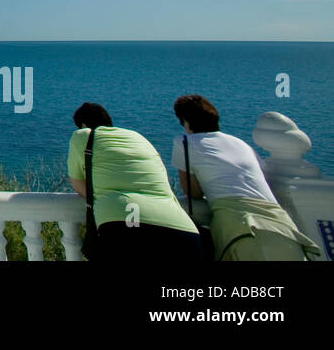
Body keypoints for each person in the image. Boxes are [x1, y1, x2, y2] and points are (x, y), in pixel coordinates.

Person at [171, 94, 317, 261]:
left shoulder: (184, 142)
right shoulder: (242, 144)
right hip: (282, 226)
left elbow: (193, 192)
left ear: (185, 121)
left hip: (241, 227)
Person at [67, 102, 202, 261]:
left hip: (126, 224)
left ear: (83, 126)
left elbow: (80, 186)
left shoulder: (82, 135)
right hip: (181, 230)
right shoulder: (139, 138)